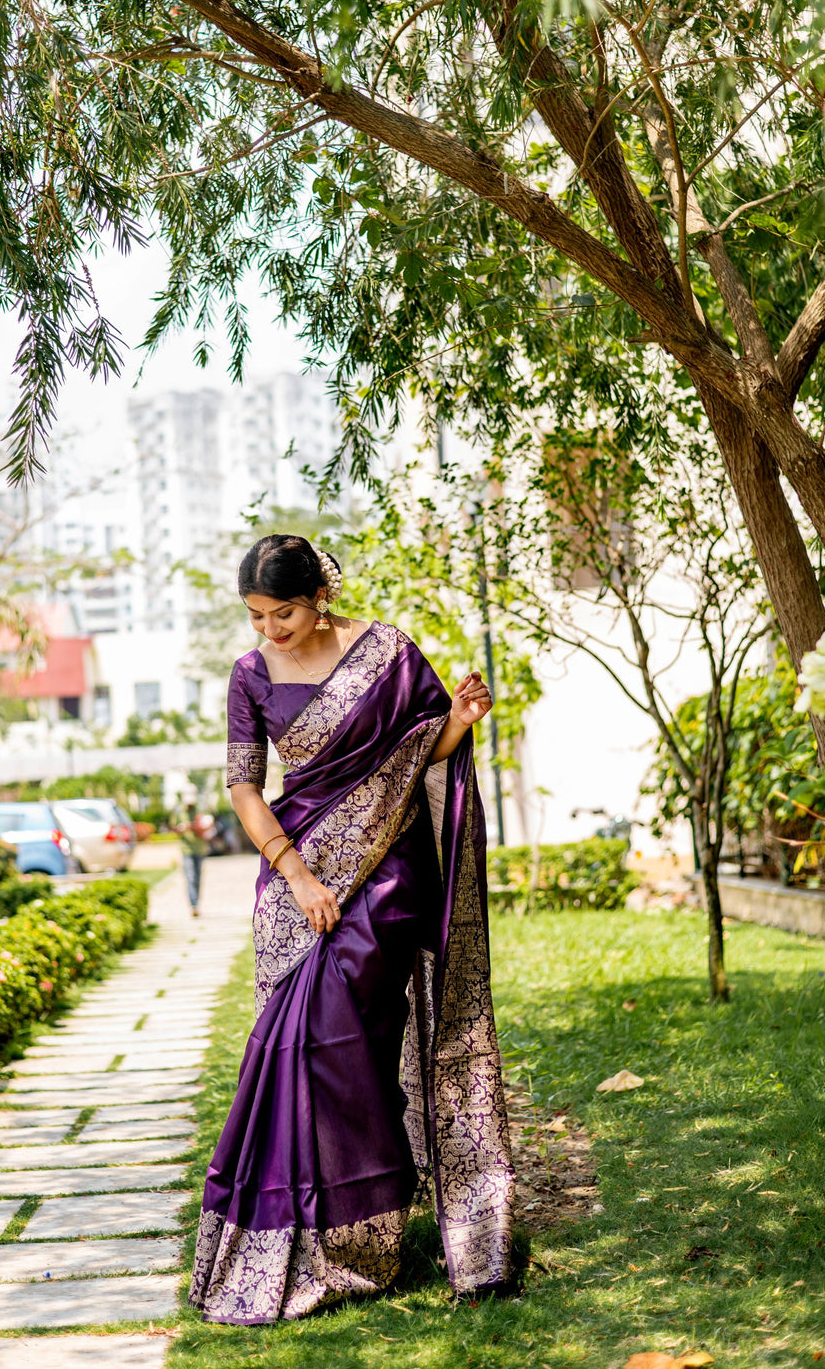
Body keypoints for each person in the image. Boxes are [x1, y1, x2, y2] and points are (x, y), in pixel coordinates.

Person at [189, 533, 516, 1325]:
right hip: (294, 882)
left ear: (319, 596)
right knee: (294, 1053)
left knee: (354, 1051)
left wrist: (461, 719)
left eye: (285, 612)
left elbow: (418, 756)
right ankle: (311, 1234)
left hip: (386, 881)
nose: (271, 629)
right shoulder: (248, 676)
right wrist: (298, 874)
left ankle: (367, 1230)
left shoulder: (388, 654)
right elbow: (244, 788)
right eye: (258, 616)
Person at [178, 810, 213, 916]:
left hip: (200, 849)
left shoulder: (200, 811)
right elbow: (174, 829)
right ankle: (194, 905)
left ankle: (196, 903)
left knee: (197, 878)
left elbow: (207, 828)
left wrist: (192, 827)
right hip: (187, 850)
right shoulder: (180, 813)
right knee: (191, 877)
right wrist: (182, 828)